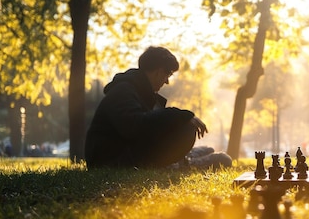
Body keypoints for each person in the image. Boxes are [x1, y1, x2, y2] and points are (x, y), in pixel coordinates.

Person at [85, 46, 232, 169]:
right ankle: (183, 164)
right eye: (167, 74)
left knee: (190, 132)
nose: (167, 81)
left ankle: (182, 158)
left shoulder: (138, 91)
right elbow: (135, 126)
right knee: (188, 130)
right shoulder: (123, 91)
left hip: (124, 152)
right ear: (158, 71)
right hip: (110, 160)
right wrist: (179, 115)